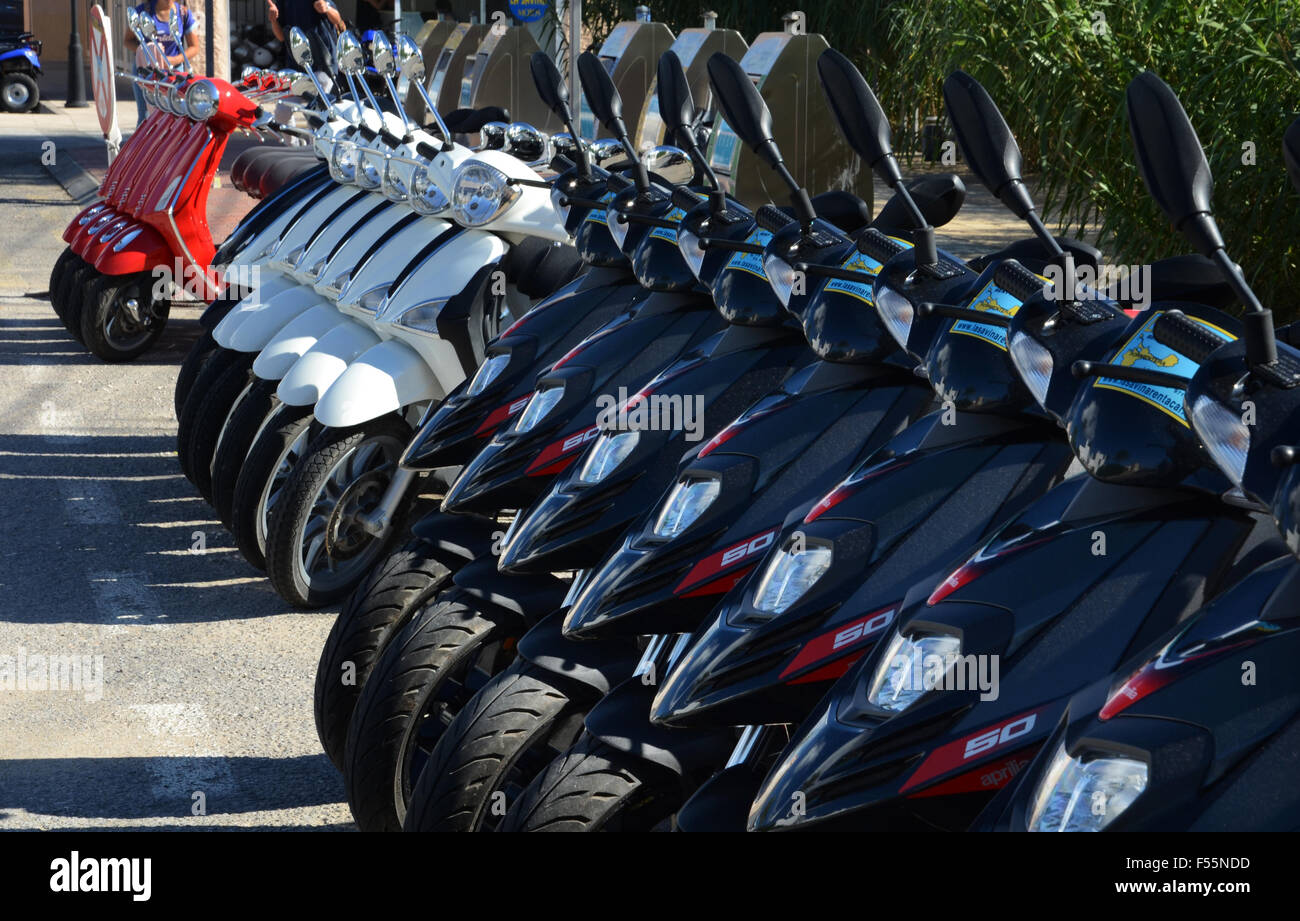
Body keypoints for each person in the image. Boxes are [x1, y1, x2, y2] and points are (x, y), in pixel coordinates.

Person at [124, 0, 201, 127]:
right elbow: (128, 41)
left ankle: (175, 146)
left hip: (174, 71)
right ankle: (145, 145)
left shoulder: (183, 13)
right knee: (146, 116)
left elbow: (194, 47)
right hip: (146, 71)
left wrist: (175, 60)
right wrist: (148, 52)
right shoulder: (142, 12)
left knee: (176, 115)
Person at [268, 0, 345, 85]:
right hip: (296, 65)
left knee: (325, 97)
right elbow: (281, 37)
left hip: (324, 65)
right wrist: (273, 21)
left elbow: (337, 20)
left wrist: (327, 8)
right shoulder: (283, 2)